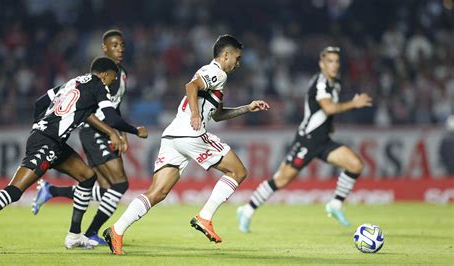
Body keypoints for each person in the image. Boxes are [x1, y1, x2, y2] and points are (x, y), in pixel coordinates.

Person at [101, 34, 270, 255]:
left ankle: (116, 230)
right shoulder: (216, 71)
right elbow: (190, 86)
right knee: (238, 171)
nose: (238, 64)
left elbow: (217, 115)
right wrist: (194, 115)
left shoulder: (215, 77)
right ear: (225, 55)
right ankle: (205, 217)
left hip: (173, 137)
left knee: (157, 192)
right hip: (191, 134)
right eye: (236, 58)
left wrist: (247, 108)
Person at [0, 57, 147, 249]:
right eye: (112, 78)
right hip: (46, 143)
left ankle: (74, 236)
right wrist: (136, 131)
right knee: (15, 191)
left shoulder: (72, 82)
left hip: (53, 142)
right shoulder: (98, 85)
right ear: (103, 74)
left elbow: (39, 103)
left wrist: (39, 126)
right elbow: (112, 119)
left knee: (87, 177)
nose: (112, 83)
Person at [237, 46, 373, 233]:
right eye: (329, 61)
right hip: (307, 141)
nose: (334, 65)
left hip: (323, 140)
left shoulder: (336, 83)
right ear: (321, 64)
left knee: (355, 165)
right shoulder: (320, 83)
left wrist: (329, 125)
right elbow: (329, 108)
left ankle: (335, 205)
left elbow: (325, 112)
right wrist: (354, 103)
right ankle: (247, 209)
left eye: (336, 61)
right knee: (282, 180)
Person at [31, 29, 141, 245]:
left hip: (105, 132)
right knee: (120, 185)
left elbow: (113, 108)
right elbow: (88, 112)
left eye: (122, 45)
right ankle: (90, 232)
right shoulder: (97, 78)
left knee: (106, 189)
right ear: (104, 48)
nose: (119, 49)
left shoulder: (122, 74)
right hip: (95, 132)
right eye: (115, 45)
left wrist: (122, 133)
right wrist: (113, 132)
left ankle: (52, 190)